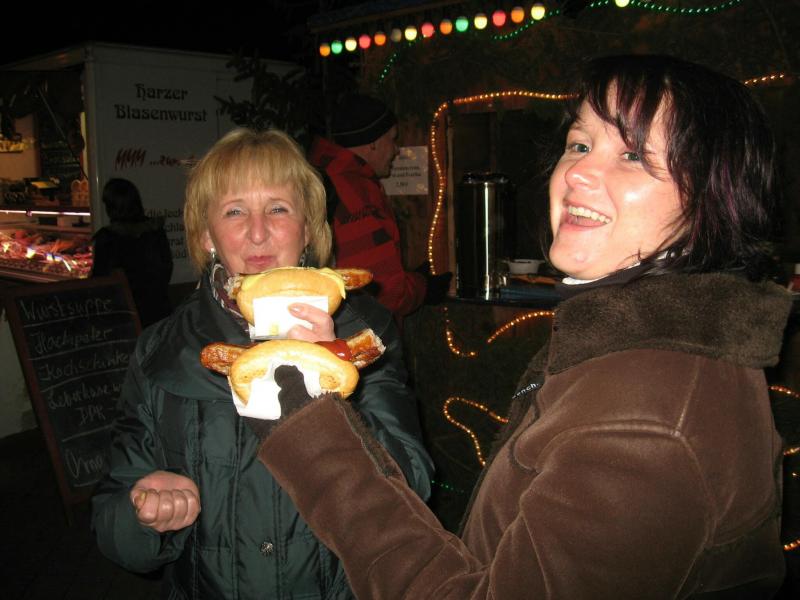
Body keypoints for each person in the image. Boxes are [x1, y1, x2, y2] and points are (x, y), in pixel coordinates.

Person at [250, 55, 793, 597]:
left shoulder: (645, 422)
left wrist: (313, 436)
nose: (576, 172)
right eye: (579, 145)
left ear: (713, 195)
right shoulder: (635, 346)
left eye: (632, 154)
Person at [90, 129, 434, 599]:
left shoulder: (366, 335)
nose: (257, 232)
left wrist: (330, 390)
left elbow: (412, 487)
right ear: (207, 235)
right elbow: (112, 520)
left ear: (308, 229)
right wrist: (146, 515)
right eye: (235, 211)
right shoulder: (162, 350)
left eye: (278, 208)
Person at [309, 93, 452, 323]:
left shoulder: (319, 174)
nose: (396, 150)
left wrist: (412, 278)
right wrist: (424, 288)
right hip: (359, 329)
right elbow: (383, 290)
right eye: (392, 139)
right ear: (373, 142)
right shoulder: (354, 191)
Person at [91, 178, 173, 328]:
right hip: (158, 312)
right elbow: (166, 268)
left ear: (112, 207)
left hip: (124, 316)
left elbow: (101, 279)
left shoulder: (109, 238)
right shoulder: (154, 230)